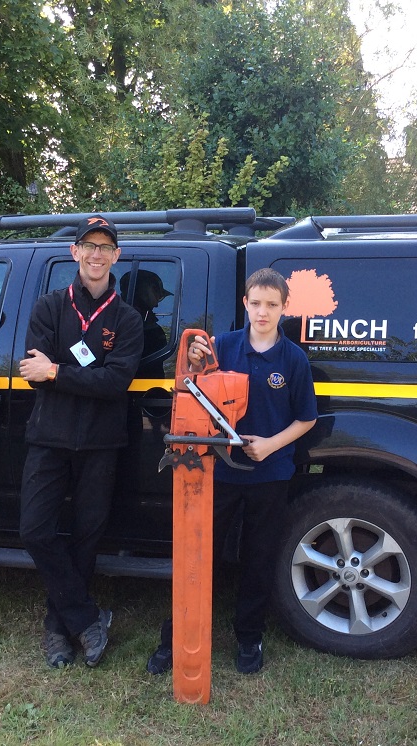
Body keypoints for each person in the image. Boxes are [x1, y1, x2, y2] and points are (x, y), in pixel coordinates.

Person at [147, 267, 317, 675]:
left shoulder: (293, 359)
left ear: (284, 309)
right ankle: (176, 637)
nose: (263, 312)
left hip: (269, 473)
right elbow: (191, 387)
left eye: (271, 305)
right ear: (245, 304)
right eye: (256, 303)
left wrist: (271, 445)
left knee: (258, 559)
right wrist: (192, 361)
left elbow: (306, 418)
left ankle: (249, 637)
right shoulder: (221, 345)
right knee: (198, 557)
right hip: (217, 473)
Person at [18, 215, 144, 669]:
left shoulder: (127, 319)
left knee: (87, 536)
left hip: (101, 443)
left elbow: (116, 382)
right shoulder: (49, 307)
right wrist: (57, 374)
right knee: (34, 529)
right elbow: (35, 373)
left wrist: (57, 372)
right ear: (74, 252)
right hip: (48, 438)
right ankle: (87, 618)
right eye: (88, 245)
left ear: (116, 256)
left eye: (104, 247)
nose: (95, 254)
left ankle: (57, 629)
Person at [119, 269, 171, 379]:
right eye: (157, 294)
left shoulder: (150, 325)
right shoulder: (115, 320)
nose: (157, 304)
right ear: (141, 290)